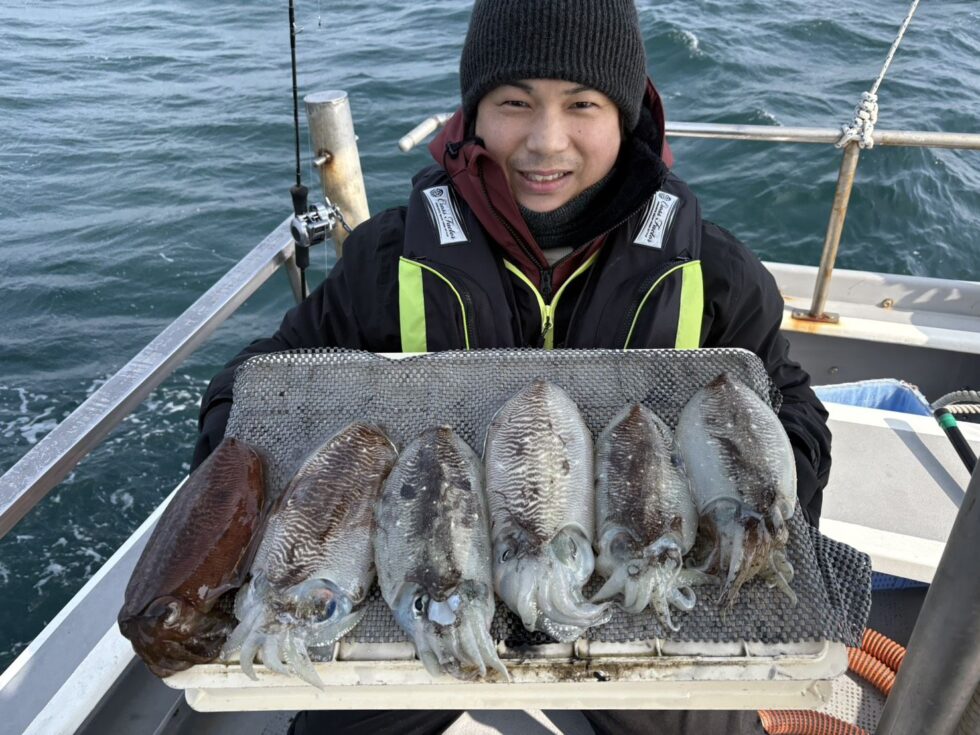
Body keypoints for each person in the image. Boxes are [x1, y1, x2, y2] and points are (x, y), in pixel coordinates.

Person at [194, 1, 831, 732]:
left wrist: (757, 521)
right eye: (514, 103)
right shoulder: (387, 259)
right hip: (421, 585)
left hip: (641, 578)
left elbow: (789, 408)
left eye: (582, 104)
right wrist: (238, 497)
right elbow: (260, 382)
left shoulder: (711, 272)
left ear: (627, 115)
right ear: (473, 114)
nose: (544, 140)